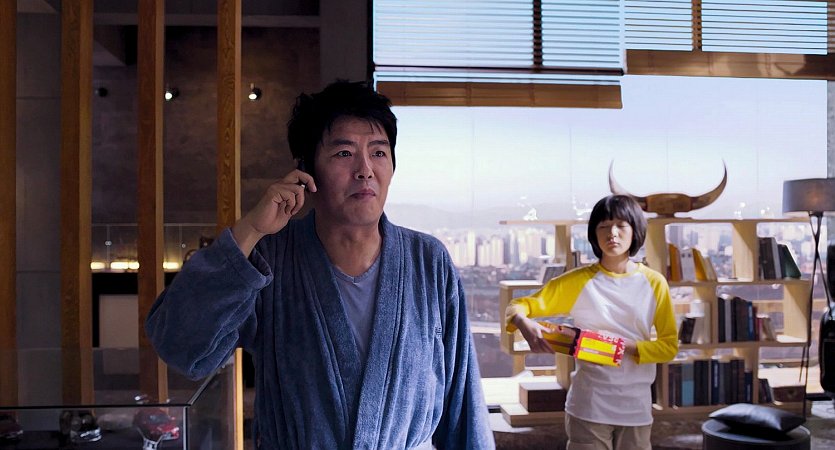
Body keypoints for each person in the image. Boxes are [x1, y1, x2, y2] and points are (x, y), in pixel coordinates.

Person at [145, 80, 495, 449]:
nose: (365, 170)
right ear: (306, 170)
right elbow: (182, 347)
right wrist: (250, 231)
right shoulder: (270, 260)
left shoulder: (428, 261)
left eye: (378, 152)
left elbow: (463, 405)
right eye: (344, 153)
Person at [505, 194, 678, 450]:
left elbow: (669, 347)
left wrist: (623, 347)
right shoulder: (578, 281)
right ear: (594, 235)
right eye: (604, 226)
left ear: (635, 231)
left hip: (636, 408)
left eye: (621, 225)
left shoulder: (654, 283)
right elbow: (517, 305)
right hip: (589, 406)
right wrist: (522, 321)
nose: (612, 234)